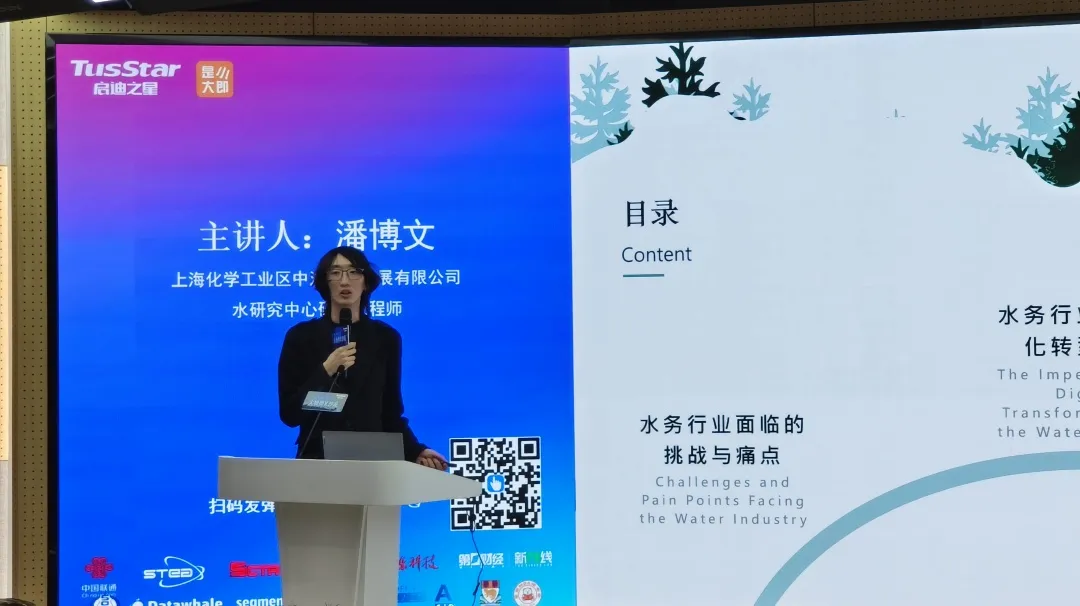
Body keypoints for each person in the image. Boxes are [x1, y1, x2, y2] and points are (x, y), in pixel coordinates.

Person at [277, 246, 447, 469]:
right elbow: (290, 413)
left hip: (374, 460)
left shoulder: (385, 338)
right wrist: (326, 370)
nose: (344, 281)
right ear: (325, 283)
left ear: (366, 282)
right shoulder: (300, 337)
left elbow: (390, 411)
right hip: (318, 459)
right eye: (335, 273)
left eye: (353, 272)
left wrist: (416, 450)